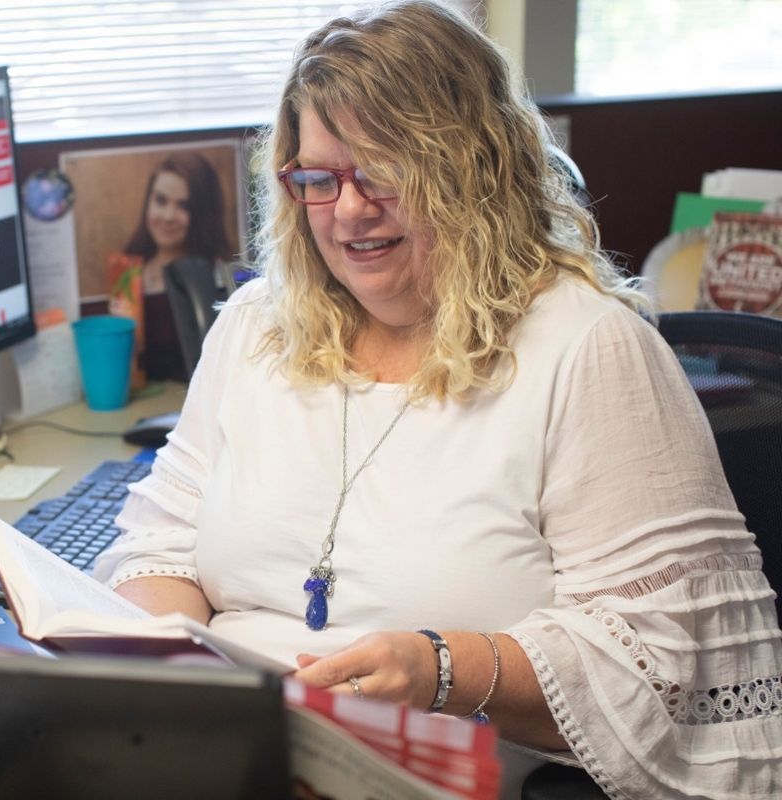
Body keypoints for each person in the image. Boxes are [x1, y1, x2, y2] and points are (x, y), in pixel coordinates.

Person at [93, 2, 782, 797]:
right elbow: (164, 543)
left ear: (473, 171)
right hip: (235, 754)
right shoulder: (258, 327)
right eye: (319, 179)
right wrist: (159, 661)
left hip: (433, 770)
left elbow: (669, 672)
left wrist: (441, 668)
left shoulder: (587, 348)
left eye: (382, 172)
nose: (348, 210)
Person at [122, 152, 233, 381]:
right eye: (160, 201)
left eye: (184, 206)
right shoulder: (128, 273)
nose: (169, 216)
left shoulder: (216, 277)